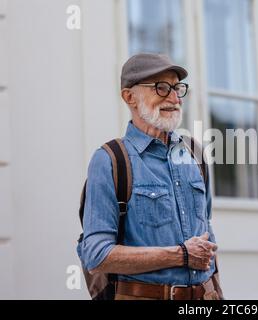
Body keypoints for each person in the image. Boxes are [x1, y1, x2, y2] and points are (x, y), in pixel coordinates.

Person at [77, 53, 222, 300]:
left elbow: (208, 241)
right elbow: (96, 255)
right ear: (129, 96)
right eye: (161, 88)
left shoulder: (195, 153)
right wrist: (181, 255)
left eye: (177, 88)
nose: (175, 98)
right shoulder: (110, 160)